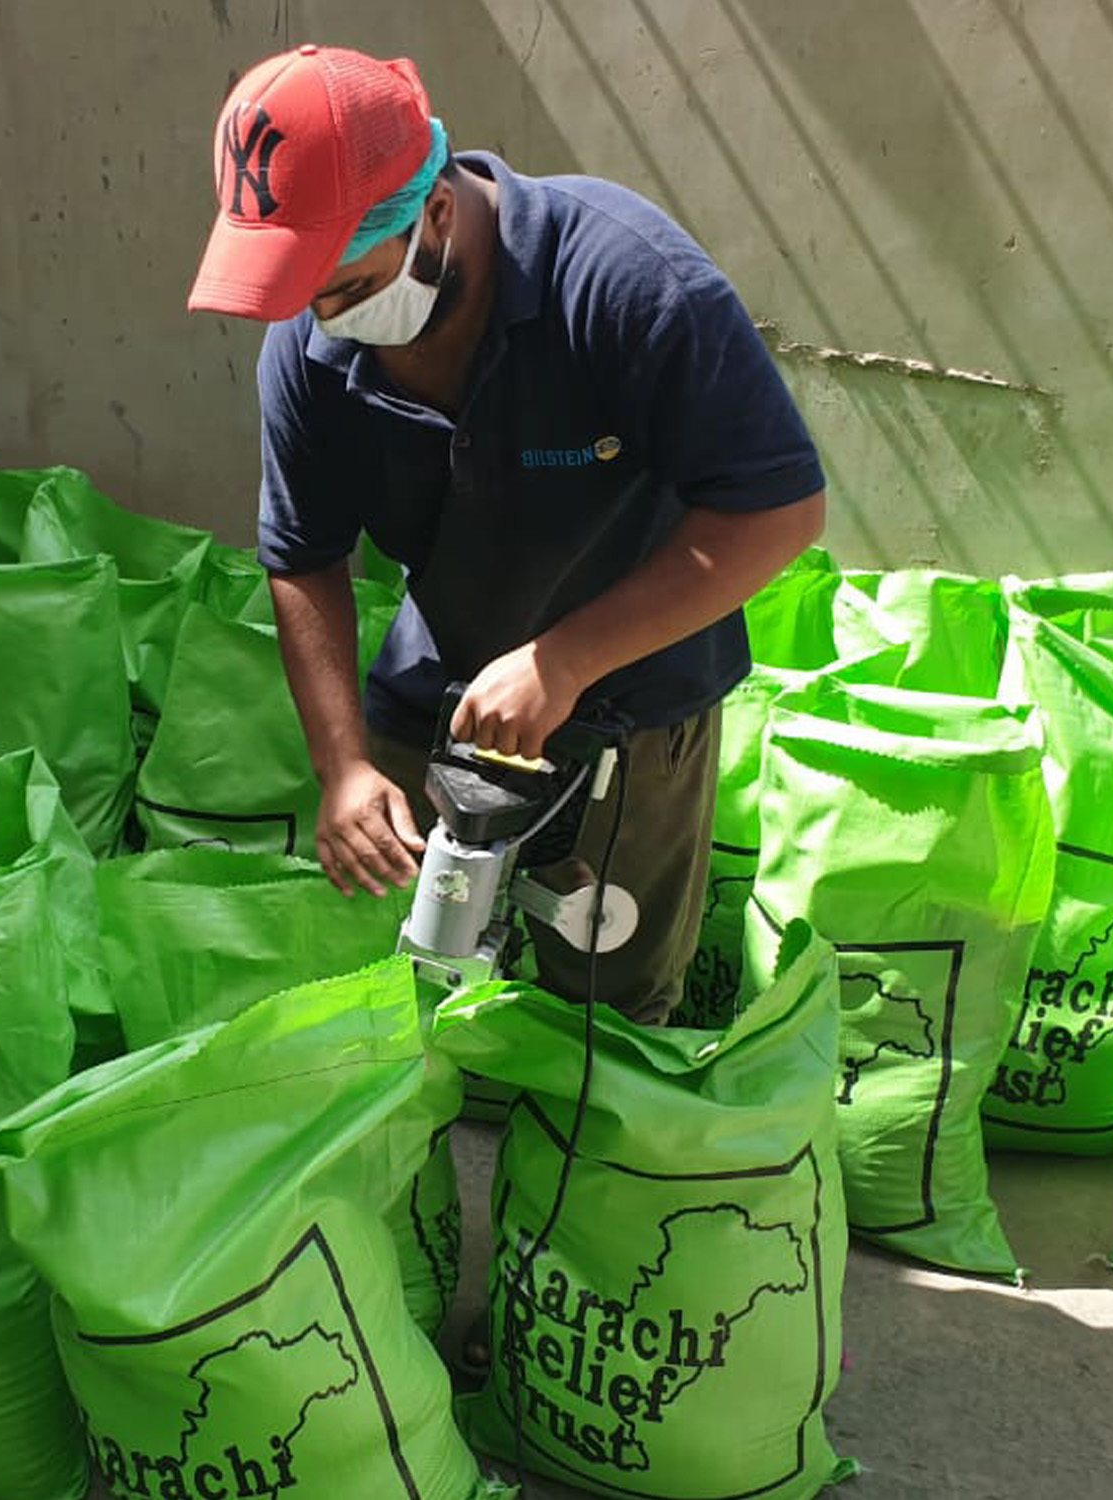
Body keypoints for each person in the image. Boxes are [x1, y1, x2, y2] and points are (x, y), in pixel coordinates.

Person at [186, 44, 827, 1024]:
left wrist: (566, 661)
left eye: (343, 285)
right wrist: (344, 766)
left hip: (634, 701)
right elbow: (304, 555)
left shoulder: (625, 284)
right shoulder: (313, 348)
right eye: (298, 292)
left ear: (435, 212)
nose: (320, 318)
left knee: (605, 1006)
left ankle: (583, 1159)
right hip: (438, 685)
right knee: (396, 981)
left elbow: (776, 511)